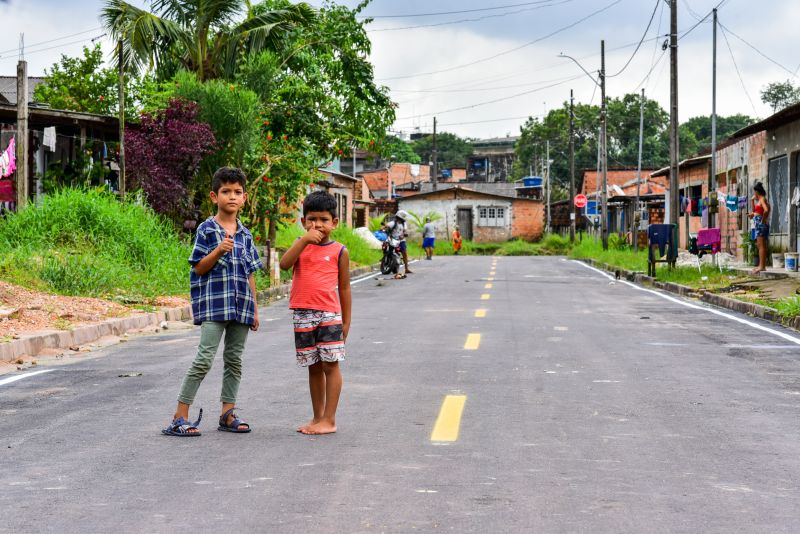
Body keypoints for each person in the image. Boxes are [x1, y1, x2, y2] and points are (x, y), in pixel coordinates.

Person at [162, 167, 262, 437]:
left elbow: (250, 273)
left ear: (244, 198)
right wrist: (219, 250)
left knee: (234, 360)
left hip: (241, 306)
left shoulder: (246, 235)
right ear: (214, 196)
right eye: (226, 191)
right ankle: (179, 416)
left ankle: (227, 413)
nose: (232, 196)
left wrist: (254, 308)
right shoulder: (207, 229)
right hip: (214, 305)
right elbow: (198, 268)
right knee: (204, 359)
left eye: (237, 192)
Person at [280, 191, 352, 435]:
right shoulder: (300, 246)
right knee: (313, 367)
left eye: (323, 219)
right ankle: (317, 417)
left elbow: (344, 287)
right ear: (303, 222)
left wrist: (346, 322)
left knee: (331, 365)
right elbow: (284, 264)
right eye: (311, 219)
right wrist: (302, 241)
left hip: (329, 315)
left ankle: (329, 420)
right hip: (302, 314)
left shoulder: (340, 251)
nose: (317, 225)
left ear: (334, 223)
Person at [749, 182, 771, 274]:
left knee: (761, 246)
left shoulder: (762, 199)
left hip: (760, 224)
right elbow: (755, 211)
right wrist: (752, 201)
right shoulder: (760, 200)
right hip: (758, 224)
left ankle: (762, 267)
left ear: (757, 192)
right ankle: (761, 266)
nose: (754, 194)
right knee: (759, 245)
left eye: (754, 192)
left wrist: (763, 220)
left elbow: (766, 210)